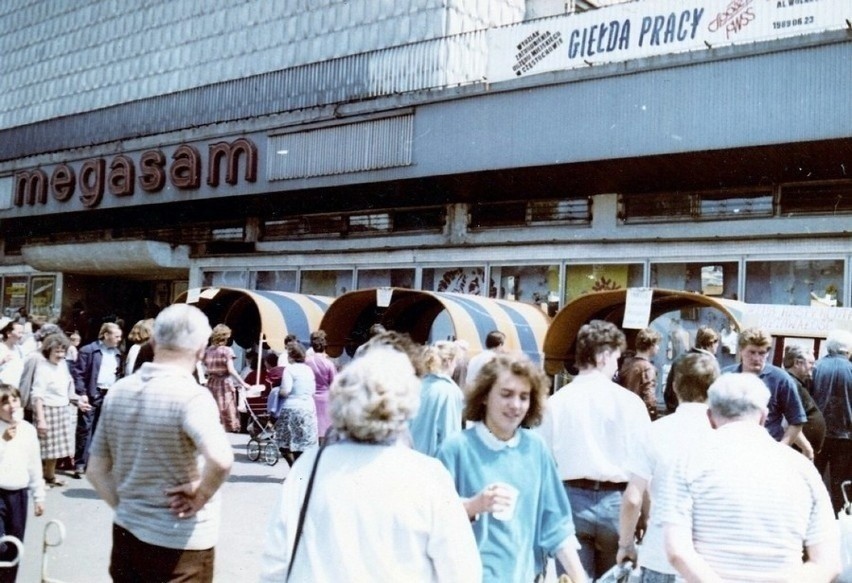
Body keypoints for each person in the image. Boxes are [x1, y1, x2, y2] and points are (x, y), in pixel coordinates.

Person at [260, 345, 481, 582]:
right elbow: (460, 569)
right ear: (407, 405)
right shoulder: (428, 475)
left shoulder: (310, 466)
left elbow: (276, 561)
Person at [86, 304, 233, 583]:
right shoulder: (193, 396)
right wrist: (201, 495)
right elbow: (221, 460)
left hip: (127, 535)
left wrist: (127, 507)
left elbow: (95, 470)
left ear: (154, 341)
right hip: (181, 542)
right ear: (202, 349)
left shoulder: (119, 391)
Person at [658, 373, 840, 582]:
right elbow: (828, 562)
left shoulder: (685, 462)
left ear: (709, 417)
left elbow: (677, 551)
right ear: (764, 416)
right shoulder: (802, 469)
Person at [438, 354, 587, 583]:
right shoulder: (456, 449)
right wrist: (472, 506)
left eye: (524, 397)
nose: (515, 405)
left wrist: (579, 576)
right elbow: (431, 517)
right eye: (506, 394)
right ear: (485, 396)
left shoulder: (536, 449)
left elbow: (557, 525)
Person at [538, 319, 652, 580]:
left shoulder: (556, 403)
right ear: (603, 356)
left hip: (569, 503)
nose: (617, 366)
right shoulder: (630, 403)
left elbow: (543, 464)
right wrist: (645, 515)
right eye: (617, 358)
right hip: (617, 505)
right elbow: (644, 468)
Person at [617, 352, 720, 582]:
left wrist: (626, 545)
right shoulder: (724, 436)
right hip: (709, 562)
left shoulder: (654, 432)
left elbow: (633, 498)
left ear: (674, 386)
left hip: (659, 555)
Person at [722, 327, 806, 445]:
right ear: (741, 350)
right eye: (752, 352)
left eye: (762, 353)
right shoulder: (725, 377)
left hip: (766, 447)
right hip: (731, 445)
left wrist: (780, 448)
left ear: (768, 353)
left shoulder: (781, 379)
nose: (756, 358)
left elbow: (797, 421)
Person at [0, 383, 45, 583]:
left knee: (15, 546)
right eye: (4, 402)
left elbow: (34, 464)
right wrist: (3, 440)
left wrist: (39, 496)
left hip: (19, 494)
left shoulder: (27, 430)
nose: (11, 406)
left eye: (14, 400)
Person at [31, 333, 84, 488]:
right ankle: (38, 480)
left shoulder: (62, 365)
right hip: (47, 410)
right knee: (43, 448)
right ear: (48, 351)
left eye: (63, 351)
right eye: (57, 352)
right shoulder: (42, 368)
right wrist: (41, 419)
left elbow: (67, 389)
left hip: (61, 409)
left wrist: (78, 401)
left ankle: (50, 476)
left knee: (54, 450)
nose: (61, 355)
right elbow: (37, 395)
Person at [72, 321, 123, 479]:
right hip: (92, 393)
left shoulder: (118, 353)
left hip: (109, 394)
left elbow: (119, 373)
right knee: (85, 428)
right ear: (106, 335)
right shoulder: (89, 350)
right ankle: (80, 463)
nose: (119, 339)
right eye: (116, 336)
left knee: (102, 430)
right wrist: (82, 392)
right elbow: (78, 373)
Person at [811, 328, 852, 515]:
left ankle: (813, 515)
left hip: (817, 434)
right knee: (840, 482)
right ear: (848, 349)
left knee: (814, 479)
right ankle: (838, 518)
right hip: (845, 435)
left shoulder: (816, 367)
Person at [409, 340, 463, 457]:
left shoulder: (417, 386)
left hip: (408, 458)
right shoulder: (450, 391)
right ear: (449, 362)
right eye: (455, 362)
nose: (455, 366)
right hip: (432, 464)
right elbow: (450, 436)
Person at [269, 341, 317, 465]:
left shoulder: (289, 370)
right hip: (307, 408)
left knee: (283, 442)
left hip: (292, 408)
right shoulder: (309, 370)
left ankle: (293, 467)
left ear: (291, 356)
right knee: (302, 444)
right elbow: (313, 390)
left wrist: (276, 392)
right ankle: (299, 471)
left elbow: (286, 391)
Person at [202, 324, 251, 433]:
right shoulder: (227, 351)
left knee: (213, 409)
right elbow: (231, 369)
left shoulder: (207, 351)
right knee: (226, 410)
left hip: (211, 383)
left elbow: (205, 368)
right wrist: (243, 383)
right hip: (224, 383)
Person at [783, 344, 826, 464]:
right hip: (798, 452)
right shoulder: (791, 384)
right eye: (811, 363)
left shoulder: (795, 383)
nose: (814, 367)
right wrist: (806, 448)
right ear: (797, 363)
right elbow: (790, 422)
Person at [663, 325, 719, 413]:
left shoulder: (680, 360)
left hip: (677, 413)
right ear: (712, 343)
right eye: (717, 343)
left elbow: (669, 392)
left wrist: (674, 412)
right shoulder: (711, 365)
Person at [618, 327, 662, 419]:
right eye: (657, 344)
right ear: (651, 346)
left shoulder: (625, 362)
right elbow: (649, 397)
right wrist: (653, 416)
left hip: (622, 412)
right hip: (638, 415)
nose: (658, 347)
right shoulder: (648, 368)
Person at [304, 330, 336, 444]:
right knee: (324, 431)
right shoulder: (329, 364)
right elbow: (334, 384)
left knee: (311, 431)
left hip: (310, 399)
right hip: (325, 399)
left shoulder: (306, 362)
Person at [0, 320, 25, 387]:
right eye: (19, 333)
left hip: (14, 390)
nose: (21, 336)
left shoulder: (20, 350)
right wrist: (2, 362)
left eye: (23, 333)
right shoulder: (1, 348)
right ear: (9, 333)